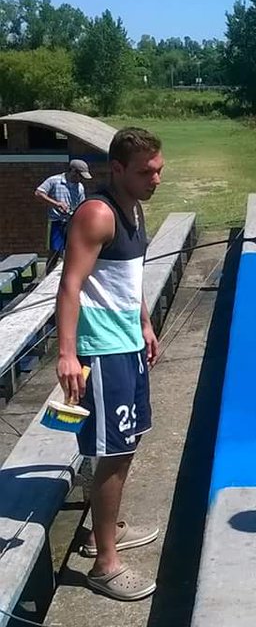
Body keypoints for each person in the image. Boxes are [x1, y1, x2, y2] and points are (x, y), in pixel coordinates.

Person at [56, 127, 164, 601]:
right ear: (116, 169)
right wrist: (66, 354)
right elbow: (70, 286)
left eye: (158, 170)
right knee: (113, 451)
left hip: (128, 344)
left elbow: (128, 277)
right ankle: (104, 564)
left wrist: (145, 323)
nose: (155, 179)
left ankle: (108, 528)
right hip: (100, 352)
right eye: (145, 172)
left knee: (127, 443)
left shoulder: (135, 207)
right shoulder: (97, 214)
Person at [35, 159, 92, 273]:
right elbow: (38, 193)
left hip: (72, 223)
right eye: (80, 175)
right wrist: (56, 204)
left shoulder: (80, 187)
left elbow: (81, 205)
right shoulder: (54, 181)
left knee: (73, 252)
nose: (80, 179)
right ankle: (48, 277)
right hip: (56, 222)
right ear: (73, 171)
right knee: (54, 252)